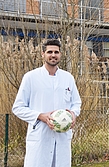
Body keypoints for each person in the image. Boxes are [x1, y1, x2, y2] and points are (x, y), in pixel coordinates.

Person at [12, 39, 82, 167]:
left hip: (62, 138)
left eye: (56, 52)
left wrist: (73, 114)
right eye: (50, 52)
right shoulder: (31, 77)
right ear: (42, 54)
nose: (53, 55)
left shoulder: (68, 78)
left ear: (60, 54)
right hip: (40, 137)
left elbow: (76, 103)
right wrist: (40, 116)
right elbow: (18, 107)